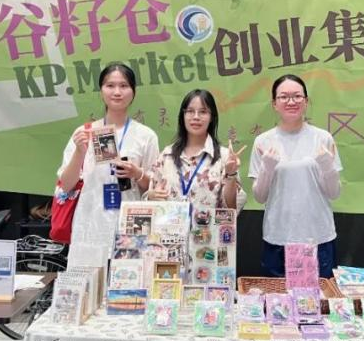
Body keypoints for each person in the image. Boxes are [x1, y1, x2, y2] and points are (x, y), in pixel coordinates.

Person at [57, 63, 159, 266]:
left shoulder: (146, 136)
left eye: (124, 86)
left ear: (133, 92)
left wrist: (137, 173)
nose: (117, 92)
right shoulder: (85, 133)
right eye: (110, 85)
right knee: (89, 279)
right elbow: (66, 185)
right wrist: (79, 152)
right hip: (91, 221)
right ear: (101, 91)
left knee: (130, 279)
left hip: (133, 222)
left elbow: (155, 189)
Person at [249, 74, 342, 278]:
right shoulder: (263, 142)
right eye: (284, 97)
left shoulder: (323, 138)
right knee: (278, 297)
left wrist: (327, 165)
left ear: (306, 101)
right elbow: (259, 197)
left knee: (319, 296)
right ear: (274, 104)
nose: (291, 101)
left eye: (297, 96)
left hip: (318, 237)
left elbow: (334, 193)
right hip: (278, 237)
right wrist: (267, 167)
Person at [146, 88, 246, 211]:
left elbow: (231, 208)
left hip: (207, 224)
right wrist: (151, 196)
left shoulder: (224, 157)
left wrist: (231, 174)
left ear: (212, 117)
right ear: (183, 116)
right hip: (170, 223)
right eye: (190, 111)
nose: (196, 117)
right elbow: (150, 198)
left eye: (203, 112)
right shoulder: (167, 155)